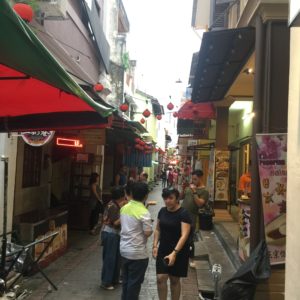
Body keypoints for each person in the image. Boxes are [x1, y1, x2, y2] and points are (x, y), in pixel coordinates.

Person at [153, 188, 192, 300]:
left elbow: (184, 235)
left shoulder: (184, 213)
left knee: (174, 280)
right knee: (160, 278)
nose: (167, 201)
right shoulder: (162, 211)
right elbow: (157, 230)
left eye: (171, 198)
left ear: (177, 199)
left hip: (179, 251)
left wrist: (174, 253)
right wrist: (155, 245)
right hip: (163, 249)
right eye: (165, 198)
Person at [120, 182, 153, 300]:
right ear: (146, 196)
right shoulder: (144, 212)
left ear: (132, 194)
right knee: (134, 285)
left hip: (124, 250)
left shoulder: (124, 208)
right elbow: (147, 232)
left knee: (126, 282)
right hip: (137, 254)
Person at [181, 170, 209, 268]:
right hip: (181, 215)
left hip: (191, 218)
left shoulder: (204, 191)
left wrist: (194, 192)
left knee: (189, 240)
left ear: (201, 178)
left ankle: (191, 259)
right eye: (192, 179)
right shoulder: (190, 187)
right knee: (179, 237)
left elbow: (200, 204)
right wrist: (183, 188)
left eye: (195, 179)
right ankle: (180, 257)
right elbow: (181, 197)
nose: (193, 181)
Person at [101, 186, 126, 290]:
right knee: (110, 258)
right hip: (110, 233)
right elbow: (115, 223)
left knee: (117, 258)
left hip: (115, 234)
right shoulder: (113, 206)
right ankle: (106, 282)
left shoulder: (116, 204)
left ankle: (114, 279)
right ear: (120, 196)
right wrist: (124, 215)